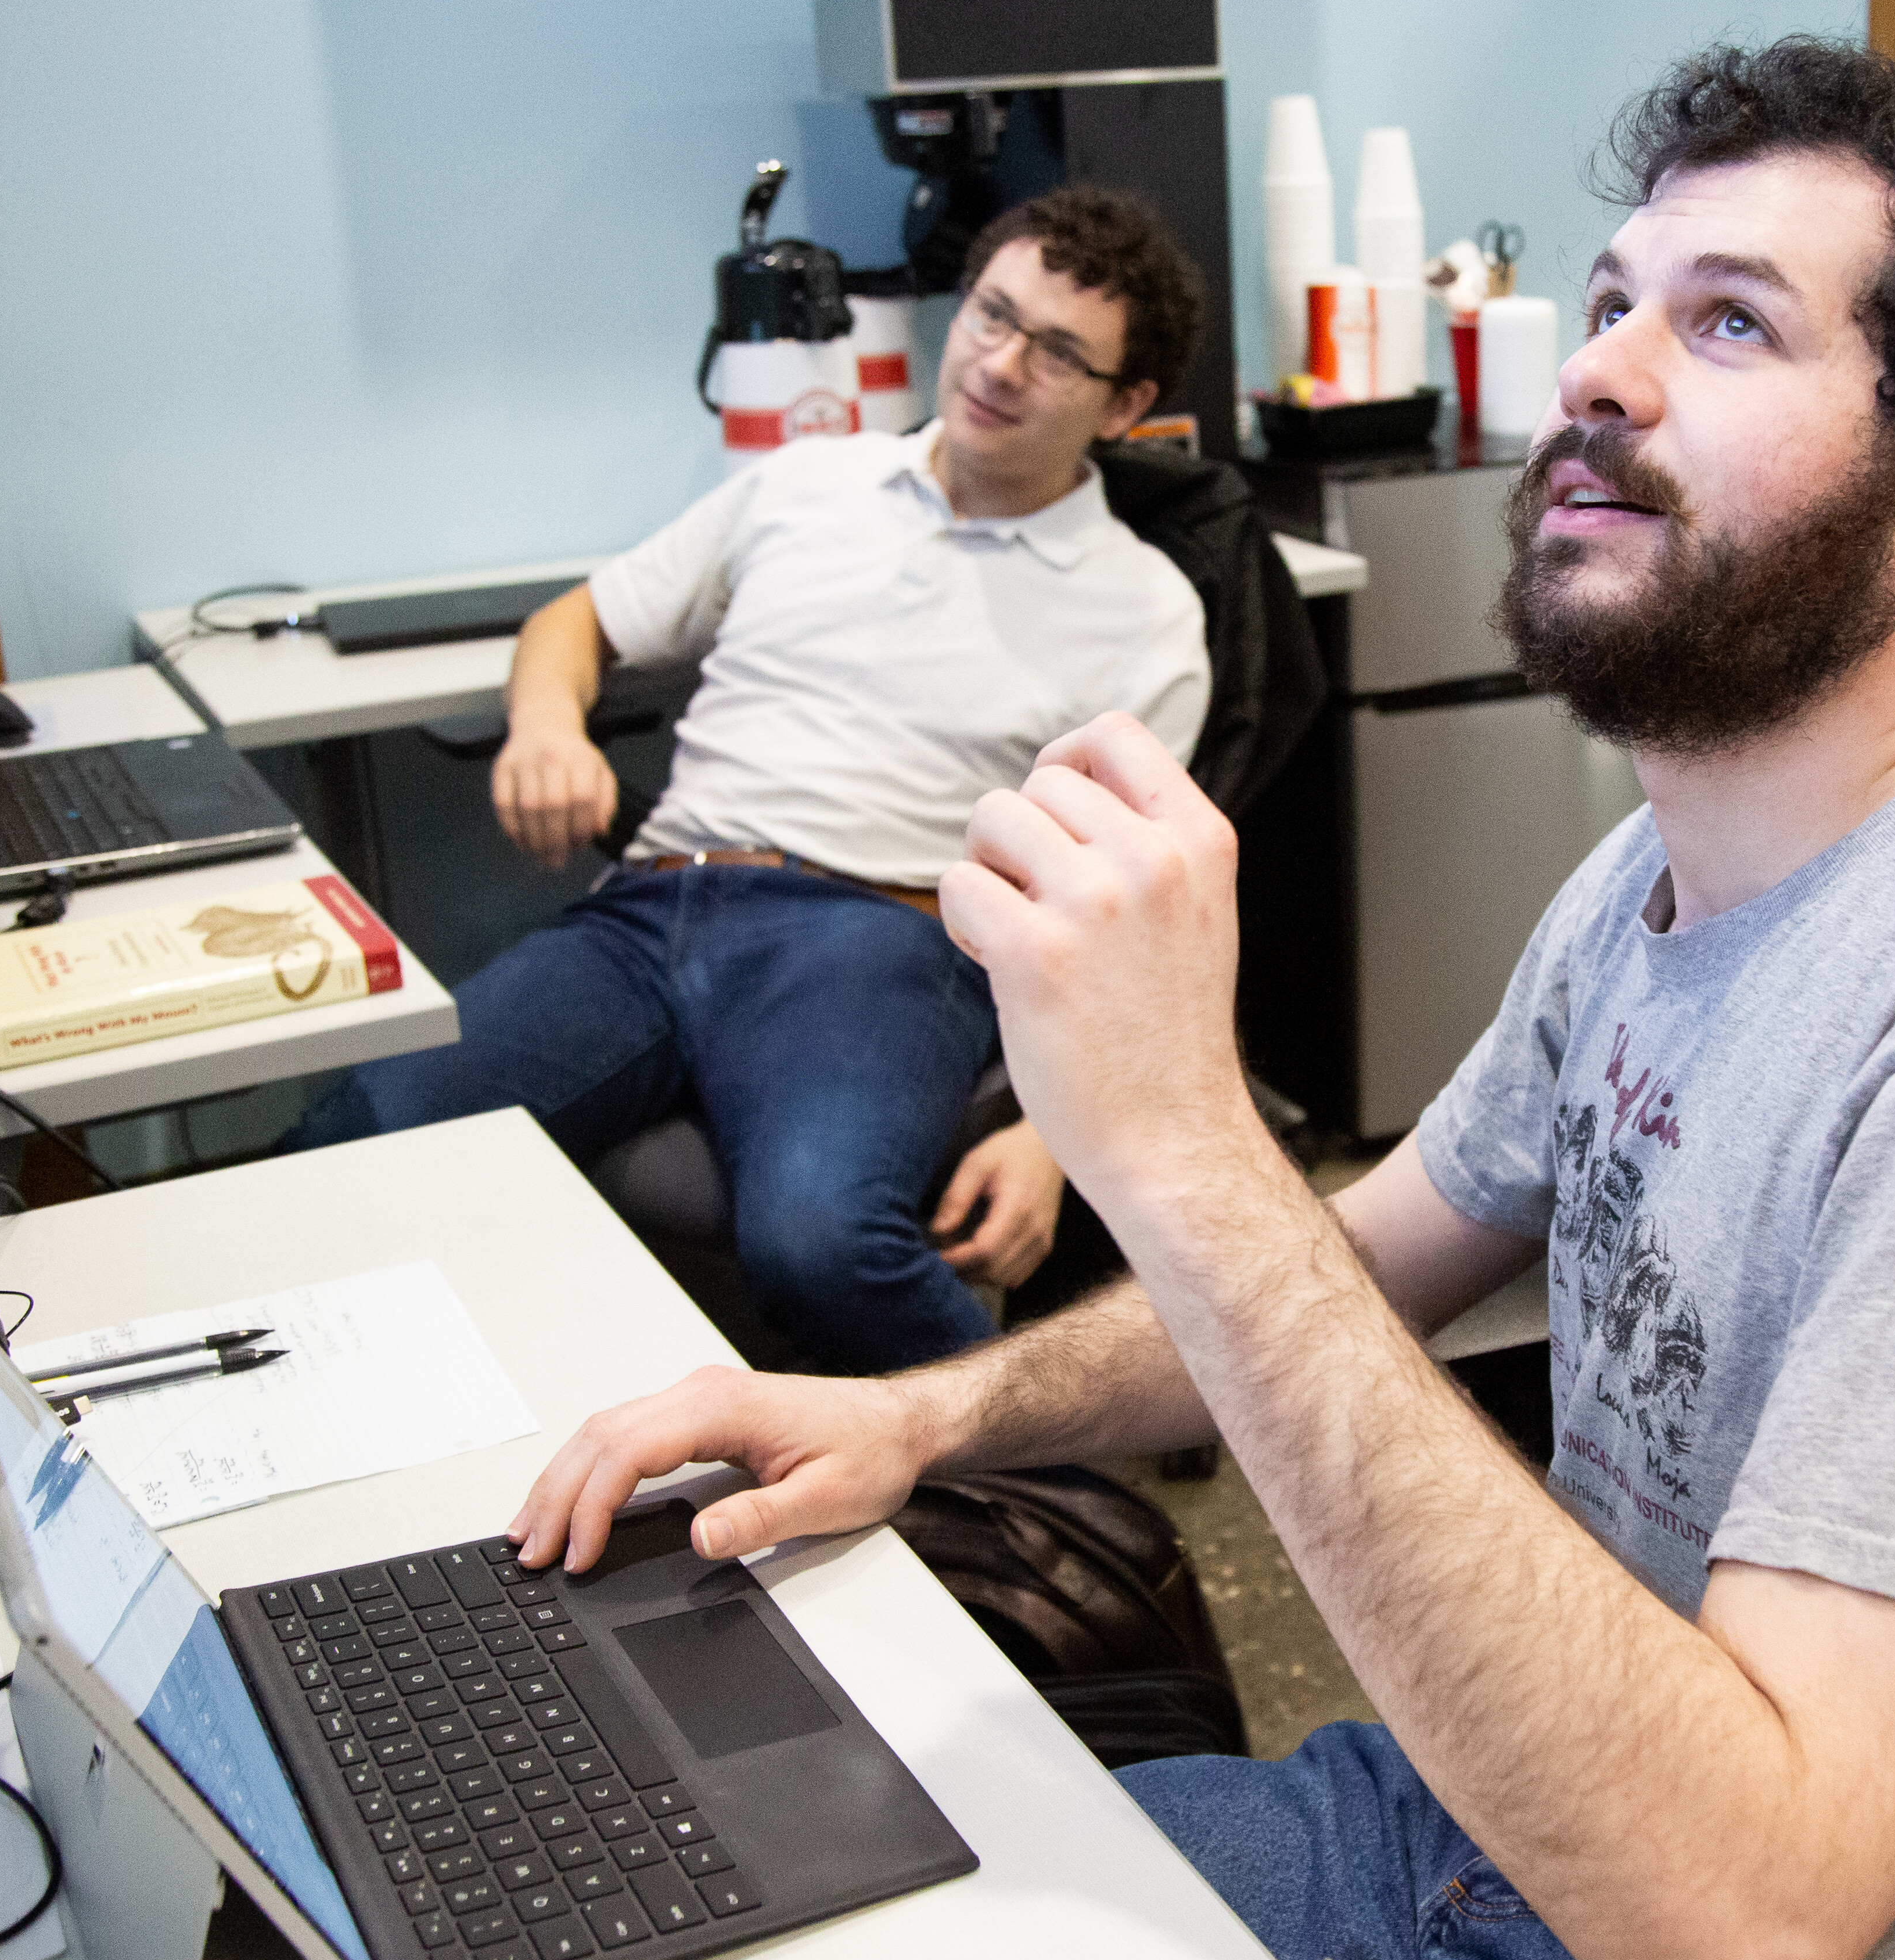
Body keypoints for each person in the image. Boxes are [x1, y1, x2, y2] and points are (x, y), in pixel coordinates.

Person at [513, 39, 1895, 1960]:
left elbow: (1747, 1926)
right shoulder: (1655, 884)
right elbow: (1355, 1266)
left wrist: (1181, 1142)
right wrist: (914, 1416)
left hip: (1712, 1938)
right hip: (1481, 1835)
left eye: (1728, 326)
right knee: (749, 1925)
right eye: (1618, 302)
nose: (1594, 371)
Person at [284, 185, 1213, 1375]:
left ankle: (1066, 1512)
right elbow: (574, 624)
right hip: (650, 903)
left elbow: (1127, 919)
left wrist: (1050, 1137)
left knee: (820, 1241)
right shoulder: (803, 486)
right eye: (990, 315)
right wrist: (546, 729)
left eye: (1058, 352)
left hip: (869, 938)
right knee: (367, 1133)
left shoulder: (1141, 613)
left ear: (1125, 403)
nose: (1000, 363)